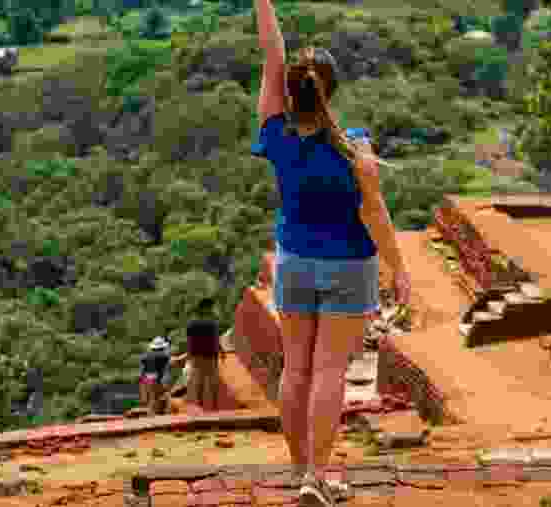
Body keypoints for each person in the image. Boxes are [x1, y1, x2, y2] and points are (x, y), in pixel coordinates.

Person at [251, 0, 412, 505]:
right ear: (332, 90)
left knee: (295, 370)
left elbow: (272, 54)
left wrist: (262, 4)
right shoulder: (355, 148)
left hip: (295, 264)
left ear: (289, 92)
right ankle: (316, 478)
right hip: (348, 266)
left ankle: (300, 469)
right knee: (328, 372)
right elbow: (375, 215)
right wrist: (398, 268)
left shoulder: (276, 135)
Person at [171, 319, 224, 410]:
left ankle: (200, 403)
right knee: (212, 380)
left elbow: (190, 344)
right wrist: (221, 351)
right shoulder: (212, 326)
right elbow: (216, 340)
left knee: (199, 380)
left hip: (197, 355)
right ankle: (214, 405)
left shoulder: (192, 326)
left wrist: (187, 356)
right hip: (211, 355)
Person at [139, 336, 173, 415]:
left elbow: (142, 372)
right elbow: (166, 371)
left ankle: (151, 414)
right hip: (156, 380)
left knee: (151, 401)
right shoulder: (165, 357)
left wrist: (142, 385)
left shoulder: (144, 356)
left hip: (146, 380)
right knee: (163, 398)